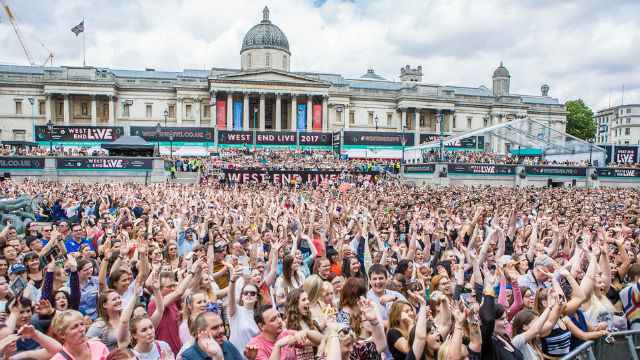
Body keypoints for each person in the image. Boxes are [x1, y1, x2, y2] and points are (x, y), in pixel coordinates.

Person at [246, 305, 323, 360]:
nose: (279, 321)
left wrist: (307, 333)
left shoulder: (286, 333)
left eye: (279, 316)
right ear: (262, 326)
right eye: (273, 319)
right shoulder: (255, 346)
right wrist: (278, 345)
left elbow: (322, 340)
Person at [228, 264, 261, 354]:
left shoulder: (260, 315)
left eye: (252, 293)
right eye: (246, 293)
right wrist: (232, 281)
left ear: (257, 297)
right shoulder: (236, 311)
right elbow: (231, 296)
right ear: (242, 296)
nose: (249, 295)